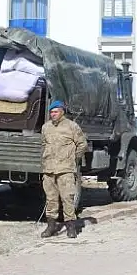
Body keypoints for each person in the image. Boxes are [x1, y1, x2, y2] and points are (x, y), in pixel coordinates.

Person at [39, 100, 87, 239]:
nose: (53, 114)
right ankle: (51, 226)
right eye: (51, 112)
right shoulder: (45, 127)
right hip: (49, 170)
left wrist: (73, 159)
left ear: (62, 112)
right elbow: (43, 144)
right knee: (51, 199)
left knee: (67, 199)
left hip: (65, 169)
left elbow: (82, 144)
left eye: (55, 112)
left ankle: (71, 227)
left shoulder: (72, 127)